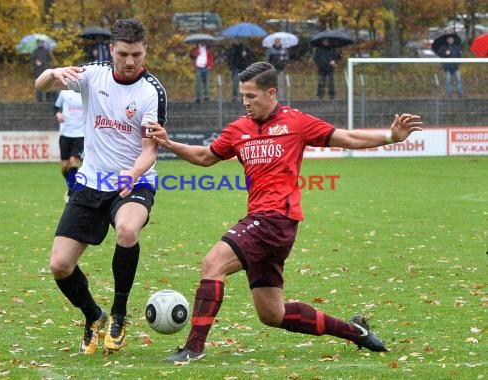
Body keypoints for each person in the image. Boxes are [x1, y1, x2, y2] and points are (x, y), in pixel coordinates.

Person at [148, 62, 422, 363]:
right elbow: (204, 156)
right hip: (264, 223)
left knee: (213, 263)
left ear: (271, 93)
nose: (246, 102)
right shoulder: (238, 130)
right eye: (242, 96)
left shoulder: (297, 122)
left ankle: (193, 349)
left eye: (251, 96)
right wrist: (169, 143)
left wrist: (390, 137)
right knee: (272, 314)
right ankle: (355, 331)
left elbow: (347, 138)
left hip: (275, 220)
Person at [35, 18, 167, 355]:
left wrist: (133, 173)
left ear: (145, 50)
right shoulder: (92, 74)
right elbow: (41, 84)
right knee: (59, 265)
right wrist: (54, 73)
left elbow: (150, 148)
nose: (130, 61)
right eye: (123, 53)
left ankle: (119, 315)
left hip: (133, 181)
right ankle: (93, 316)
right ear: (111, 50)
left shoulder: (152, 91)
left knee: (127, 229)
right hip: (91, 182)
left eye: (136, 54)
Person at [53, 89, 85, 203]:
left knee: (73, 162)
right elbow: (55, 107)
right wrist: (58, 114)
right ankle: (73, 183)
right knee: (65, 166)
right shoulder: (64, 94)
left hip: (81, 135)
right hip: (65, 134)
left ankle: (71, 192)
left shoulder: (87, 93)